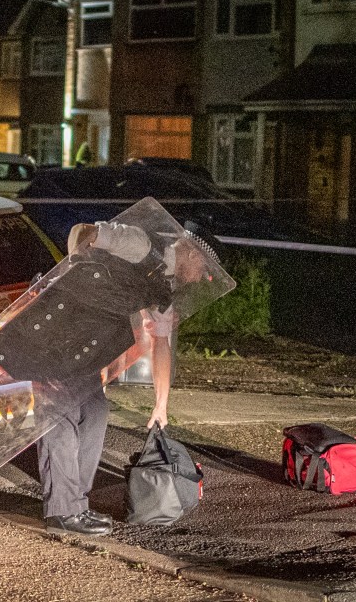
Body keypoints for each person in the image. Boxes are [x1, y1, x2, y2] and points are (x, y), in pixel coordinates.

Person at [33, 219, 221, 537]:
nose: (204, 277)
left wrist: (161, 405)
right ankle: (63, 511)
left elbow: (160, 345)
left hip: (82, 342)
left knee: (94, 411)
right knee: (61, 414)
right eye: (205, 268)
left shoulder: (163, 286)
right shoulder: (141, 244)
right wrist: (79, 269)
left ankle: (75, 505)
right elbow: (81, 230)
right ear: (191, 254)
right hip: (56, 326)